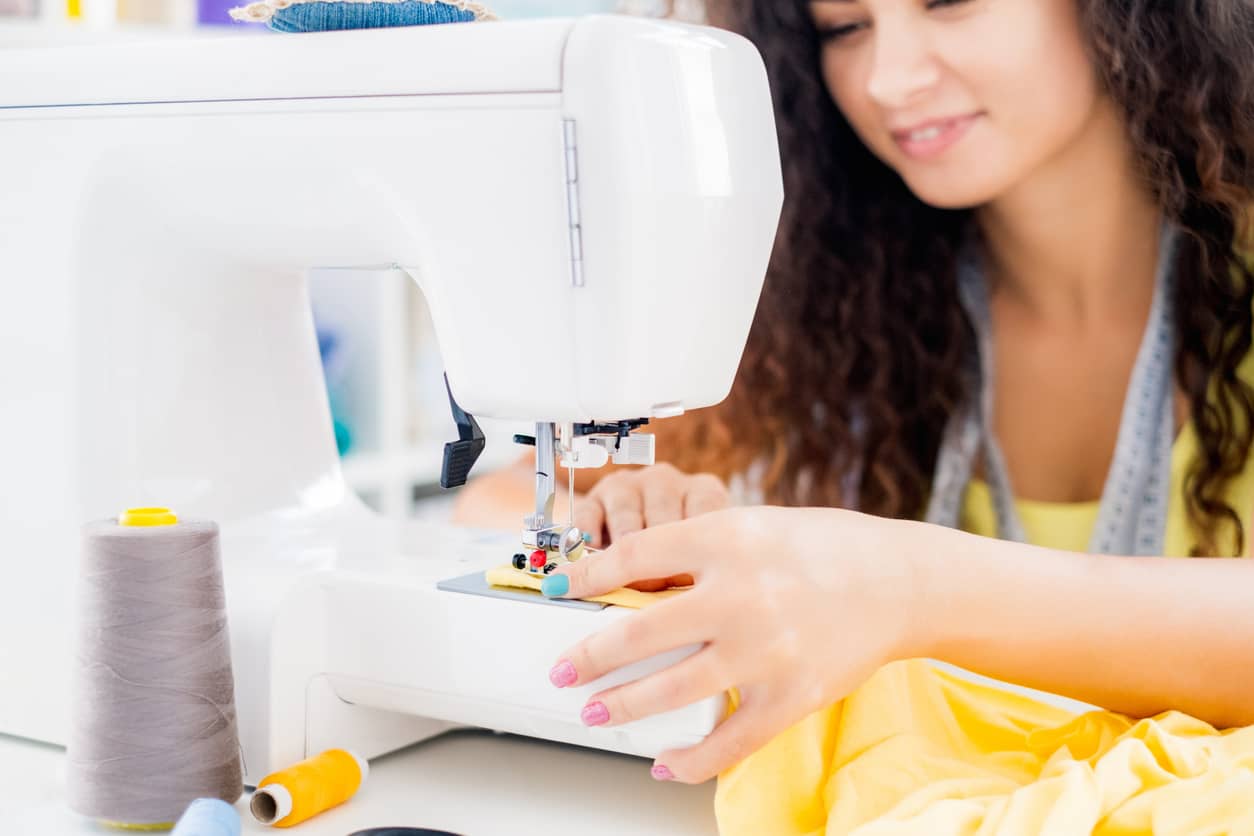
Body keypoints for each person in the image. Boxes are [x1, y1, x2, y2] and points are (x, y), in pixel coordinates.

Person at [454, 0, 1254, 789]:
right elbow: (492, 508)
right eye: (844, 28)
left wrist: (911, 588)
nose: (887, 80)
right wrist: (625, 522)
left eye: (949, 2)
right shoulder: (832, 309)